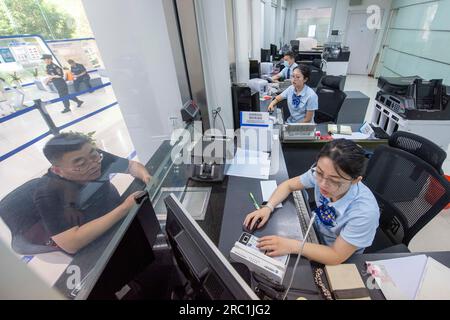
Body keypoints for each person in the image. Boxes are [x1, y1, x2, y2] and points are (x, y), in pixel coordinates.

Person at [243, 139, 380, 265]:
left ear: (355, 180)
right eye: (319, 173)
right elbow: (288, 185)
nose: (322, 184)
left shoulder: (365, 212)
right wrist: (268, 207)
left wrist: (292, 245)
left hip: (337, 257)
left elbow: (335, 256)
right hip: (314, 234)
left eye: (334, 180)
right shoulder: (324, 173)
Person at [32, 132, 152, 254]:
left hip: (114, 215)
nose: (94, 165)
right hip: (94, 240)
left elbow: (131, 166)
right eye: (81, 164)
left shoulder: (93, 158)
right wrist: (125, 208)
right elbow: (70, 244)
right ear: (58, 170)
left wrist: (146, 176)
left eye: (94, 155)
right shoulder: (48, 192)